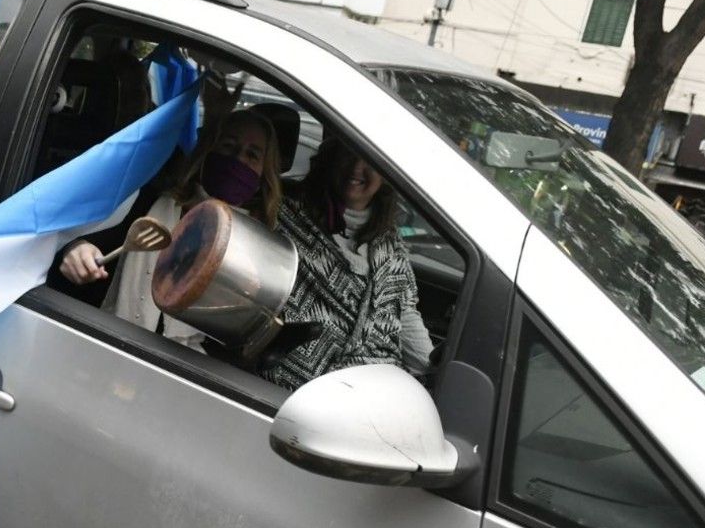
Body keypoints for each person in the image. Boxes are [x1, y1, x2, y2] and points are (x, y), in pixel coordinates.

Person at [58, 109, 283, 350]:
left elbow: (240, 342)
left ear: (263, 175)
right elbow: (86, 242)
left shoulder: (259, 251)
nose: (238, 159)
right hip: (109, 344)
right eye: (228, 146)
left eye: (252, 155)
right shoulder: (149, 202)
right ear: (207, 150)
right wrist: (75, 248)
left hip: (184, 371)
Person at [264, 138, 433, 390]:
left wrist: (434, 372)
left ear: (386, 174)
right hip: (300, 390)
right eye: (349, 154)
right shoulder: (283, 217)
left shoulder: (390, 244)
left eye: (371, 161)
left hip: (377, 392)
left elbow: (405, 314)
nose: (356, 167)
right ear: (332, 158)